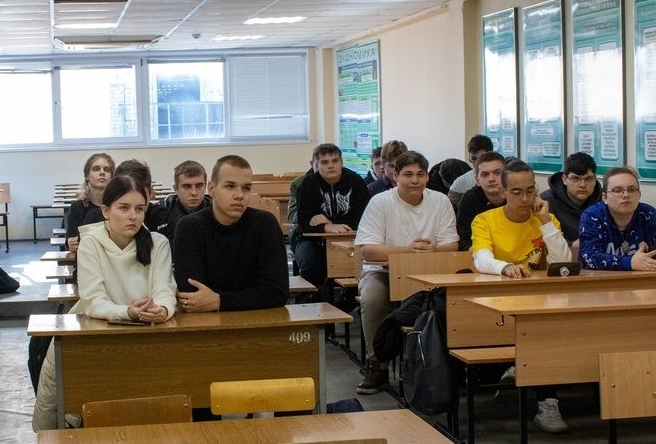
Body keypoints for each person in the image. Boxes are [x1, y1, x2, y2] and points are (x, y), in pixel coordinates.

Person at [31, 176, 176, 430]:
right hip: (96, 332)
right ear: (106, 211)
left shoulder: (158, 243)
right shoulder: (91, 242)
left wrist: (162, 309)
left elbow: (164, 289)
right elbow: (93, 301)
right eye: (124, 208)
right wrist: (128, 312)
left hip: (147, 333)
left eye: (139, 209)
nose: (133, 216)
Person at [470, 159, 572, 433]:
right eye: (517, 192)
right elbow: (481, 259)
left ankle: (541, 397)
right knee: (534, 333)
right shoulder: (485, 220)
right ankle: (518, 372)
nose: (525, 199)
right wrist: (505, 268)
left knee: (544, 330)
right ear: (503, 192)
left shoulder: (546, 219)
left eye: (530, 190)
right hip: (497, 300)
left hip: (538, 300)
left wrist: (545, 222)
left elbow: (563, 262)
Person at [353, 151, 458, 394]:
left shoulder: (440, 201)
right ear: (395, 175)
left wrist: (435, 250)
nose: (415, 180)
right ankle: (376, 364)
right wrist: (406, 251)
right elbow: (368, 250)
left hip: (431, 272)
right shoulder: (380, 202)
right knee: (373, 297)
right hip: (384, 271)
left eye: (420, 174)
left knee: (455, 300)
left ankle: (442, 366)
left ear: (427, 177)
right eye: (408, 174)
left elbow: (452, 245)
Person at [172, 155, 289, 312]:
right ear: (211, 189)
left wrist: (219, 301)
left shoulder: (265, 224)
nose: (239, 195)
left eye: (246, 188)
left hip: (257, 319)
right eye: (230, 186)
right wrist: (251, 296)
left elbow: (277, 292)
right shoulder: (189, 227)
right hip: (206, 322)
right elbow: (191, 296)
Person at [292, 143, 370, 289]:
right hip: (311, 239)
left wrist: (330, 222)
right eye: (325, 162)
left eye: (335, 161)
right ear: (317, 164)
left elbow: (363, 217)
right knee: (310, 264)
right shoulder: (308, 183)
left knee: (361, 264)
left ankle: (348, 298)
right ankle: (313, 298)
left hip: (351, 238)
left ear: (341, 162)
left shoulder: (356, 181)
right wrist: (327, 227)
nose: (331, 166)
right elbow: (304, 220)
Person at [578, 166, 656, 271]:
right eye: (618, 190)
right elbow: (588, 257)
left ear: (639, 195)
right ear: (605, 197)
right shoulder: (592, 216)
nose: (626, 195)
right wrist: (630, 263)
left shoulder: (648, 214)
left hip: (644, 280)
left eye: (632, 190)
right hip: (602, 281)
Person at [541, 152, 602, 252]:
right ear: (565, 179)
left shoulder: (605, 201)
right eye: (575, 179)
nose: (582, 185)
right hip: (559, 256)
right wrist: (571, 246)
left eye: (588, 179)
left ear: (595, 180)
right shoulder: (547, 202)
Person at [150, 160, 211, 244]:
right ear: (176, 189)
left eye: (199, 186)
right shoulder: (159, 214)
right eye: (187, 186)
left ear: (205, 186)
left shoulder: (217, 213)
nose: (194, 193)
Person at [455, 151, 507, 250]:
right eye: (485, 174)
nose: (491, 179)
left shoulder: (516, 194)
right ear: (477, 180)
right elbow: (463, 239)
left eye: (497, 173)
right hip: (481, 253)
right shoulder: (469, 199)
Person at [64, 152, 114, 252]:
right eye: (96, 169)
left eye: (107, 170)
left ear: (112, 177)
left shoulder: (117, 206)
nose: (102, 172)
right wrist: (71, 243)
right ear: (87, 176)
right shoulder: (77, 207)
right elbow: (73, 242)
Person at [448, 134, 496, 208]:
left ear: (491, 155)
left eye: (482, 158)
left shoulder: (504, 178)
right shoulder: (459, 185)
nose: (477, 163)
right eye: (474, 158)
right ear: (469, 158)